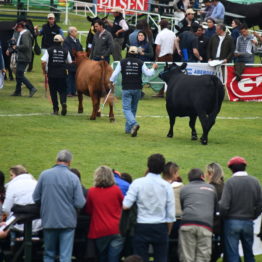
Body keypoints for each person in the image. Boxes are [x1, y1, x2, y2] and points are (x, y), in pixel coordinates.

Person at [33, 150, 86, 262]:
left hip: (49, 220)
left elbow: (36, 197)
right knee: (65, 256)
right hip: (67, 221)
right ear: (70, 162)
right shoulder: (73, 178)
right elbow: (80, 202)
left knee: (48, 254)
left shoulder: (44, 174)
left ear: (56, 160)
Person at [123, 153, 175, 262]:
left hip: (142, 225)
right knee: (161, 258)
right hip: (160, 226)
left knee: (140, 258)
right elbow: (170, 213)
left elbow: (126, 205)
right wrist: (168, 231)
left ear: (148, 166)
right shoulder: (166, 186)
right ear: (162, 169)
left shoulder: (137, 183)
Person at [219, 156, 262, 262]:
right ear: (245, 167)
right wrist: (253, 216)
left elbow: (224, 205)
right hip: (248, 221)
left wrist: (223, 217)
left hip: (231, 222)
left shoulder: (230, 183)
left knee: (233, 254)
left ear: (231, 168)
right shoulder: (255, 181)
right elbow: (260, 203)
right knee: (249, 253)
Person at [110, 46, 158, 137]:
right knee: (133, 109)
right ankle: (128, 129)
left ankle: (133, 124)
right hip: (137, 89)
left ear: (128, 52)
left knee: (126, 109)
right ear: (136, 53)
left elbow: (115, 74)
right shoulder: (140, 62)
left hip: (126, 88)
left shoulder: (122, 62)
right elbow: (148, 73)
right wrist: (153, 68)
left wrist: (111, 81)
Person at [85, 165, 124, 262]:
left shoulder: (91, 192)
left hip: (100, 230)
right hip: (116, 228)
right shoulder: (116, 190)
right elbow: (123, 205)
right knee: (114, 258)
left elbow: (88, 210)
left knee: (102, 257)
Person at [178, 168, 217, 262]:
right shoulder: (211, 188)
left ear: (189, 178)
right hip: (205, 225)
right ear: (202, 177)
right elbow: (215, 207)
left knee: (187, 257)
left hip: (187, 224)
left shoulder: (184, 188)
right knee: (203, 257)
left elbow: (183, 206)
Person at [2, 165, 41, 233]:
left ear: (16, 175)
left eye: (11, 175)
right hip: (39, 223)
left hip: (18, 224)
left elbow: (6, 208)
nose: (10, 178)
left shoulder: (12, 185)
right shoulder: (36, 183)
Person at [41, 34, 72, 116]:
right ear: (62, 41)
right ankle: (63, 102)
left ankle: (55, 110)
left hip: (52, 74)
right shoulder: (66, 50)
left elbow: (43, 62)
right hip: (62, 74)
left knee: (53, 92)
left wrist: (44, 70)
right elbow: (70, 62)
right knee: (63, 91)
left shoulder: (49, 50)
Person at [9, 22, 37, 97]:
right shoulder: (25, 33)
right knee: (18, 74)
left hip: (24, 57)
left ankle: (32, 88)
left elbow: (26, 46)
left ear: (20, 27)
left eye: (17, 29)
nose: (16, 30)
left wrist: (16, 47)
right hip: (23, 56)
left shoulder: (24, 34)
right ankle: (18, 91)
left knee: (19, 74)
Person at [205, 162, 225, 262]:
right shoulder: (225, 187)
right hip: (223, 223)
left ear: (210, 174)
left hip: (211, 223)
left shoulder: (208, 188)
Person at [154, 19, 176, 97]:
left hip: (162, 56)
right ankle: (167, 91)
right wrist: (172, 53)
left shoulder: (160, 34)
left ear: (160, 26)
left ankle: (161, 92)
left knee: (161, 74)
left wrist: (157, 57)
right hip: (170, 56)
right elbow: (174, 46)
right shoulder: (173, 33)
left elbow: (158, 47)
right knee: (169, 74)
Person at [63, 26, 83, 97]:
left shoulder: (77, 40)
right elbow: (67, 51)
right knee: (69, 77)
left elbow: (80, 48)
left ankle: (74, 91)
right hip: (70, 62)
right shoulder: (66, 41)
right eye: (75, 31)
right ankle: (69, 92)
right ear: (71, 32)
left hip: (77, 62)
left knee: (75, 77)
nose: (76, 32)